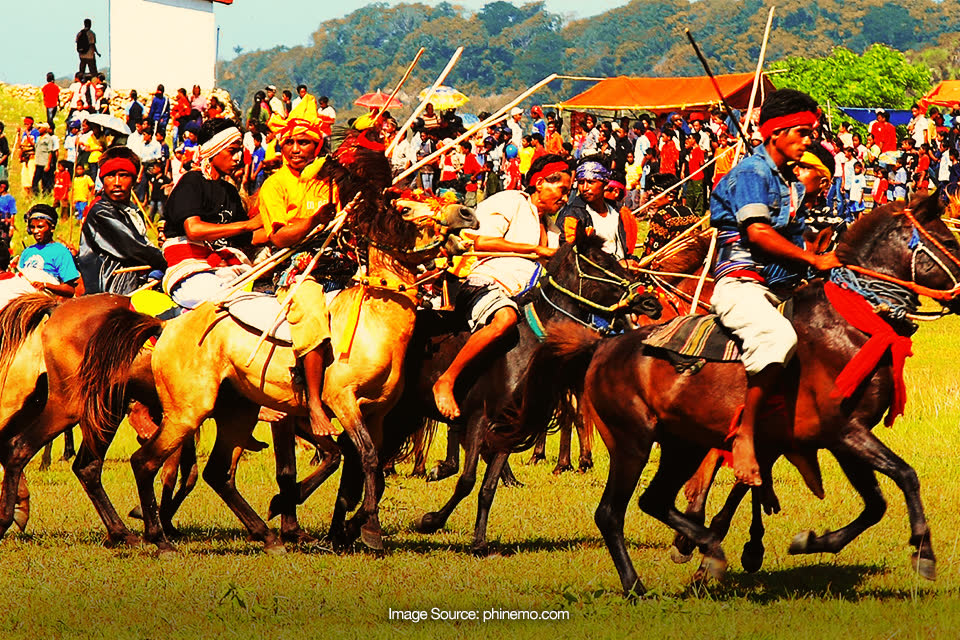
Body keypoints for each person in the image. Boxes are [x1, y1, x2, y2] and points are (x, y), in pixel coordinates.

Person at [710, 89, 840, 487]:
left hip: (781, 287)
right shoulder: (752, 173)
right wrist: (814, 260)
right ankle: (745, 436)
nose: (808, 141)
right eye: (801, 133)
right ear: (776, 133)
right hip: (742, 283)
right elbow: (759, 232)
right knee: (777, 337)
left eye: (811, 133)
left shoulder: (784, 179)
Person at [432, 154, 573, 420]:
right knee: (505, 317)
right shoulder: (510, 201)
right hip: (483, 284)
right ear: (540, 182)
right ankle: (446, 381)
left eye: (568, 192)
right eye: (562, 190)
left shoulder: (553, 229)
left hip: (525, 297)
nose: (565, 198)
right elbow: (480, 241)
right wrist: (533, 248)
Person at [258, 97, 344, 439]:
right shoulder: (274, 184)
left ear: (317, 145)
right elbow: (278, 237)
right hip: (295, 267)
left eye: (304, 142)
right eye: (290, 142)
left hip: (338, 261)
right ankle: (314, 402)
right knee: (311, 309)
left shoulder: (329, 180)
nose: (295, 149)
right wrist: (312, 221)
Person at [161, 118, 259, 308]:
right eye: (232, 151)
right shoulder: (192, 181)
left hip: (221, 267)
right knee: (228, 300)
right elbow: (194, 230)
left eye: (240, 151)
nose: (238, 158)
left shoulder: (229, 191)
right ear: (212, 151)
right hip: (188, 270)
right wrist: (248, 224)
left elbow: (247, 238)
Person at [77, 147, 167, 294]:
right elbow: (137, 249)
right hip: (111, 290)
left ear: (134, 180)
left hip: (130, 284)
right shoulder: (101, 212)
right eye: (111, 176)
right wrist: (173, 258)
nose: (117, 182)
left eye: (124, 175)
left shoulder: (133, 210)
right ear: (102, 180)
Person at [556, 159, 636, 261]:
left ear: (605, 184)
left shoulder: (619, 212)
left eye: (591, 182)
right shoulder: (572, 216)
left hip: (622, 272)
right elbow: (569, 255)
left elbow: (625, 247)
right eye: (581, 182)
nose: (585, 188)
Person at [18, 204, 80, 298]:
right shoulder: (27, 252)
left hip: (47, 304)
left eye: (40, 227)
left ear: (52, 228)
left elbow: (70, 290)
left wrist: (46, 285)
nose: (35, 231)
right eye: (32, 227)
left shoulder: (61, 252)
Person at [640, 172, 701, 257]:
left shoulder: (661, 218)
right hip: (692, 265)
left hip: (666, 267)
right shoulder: (692, 214)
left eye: (656, 193)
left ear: (670, 196)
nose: (652, 197)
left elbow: (650, 254)